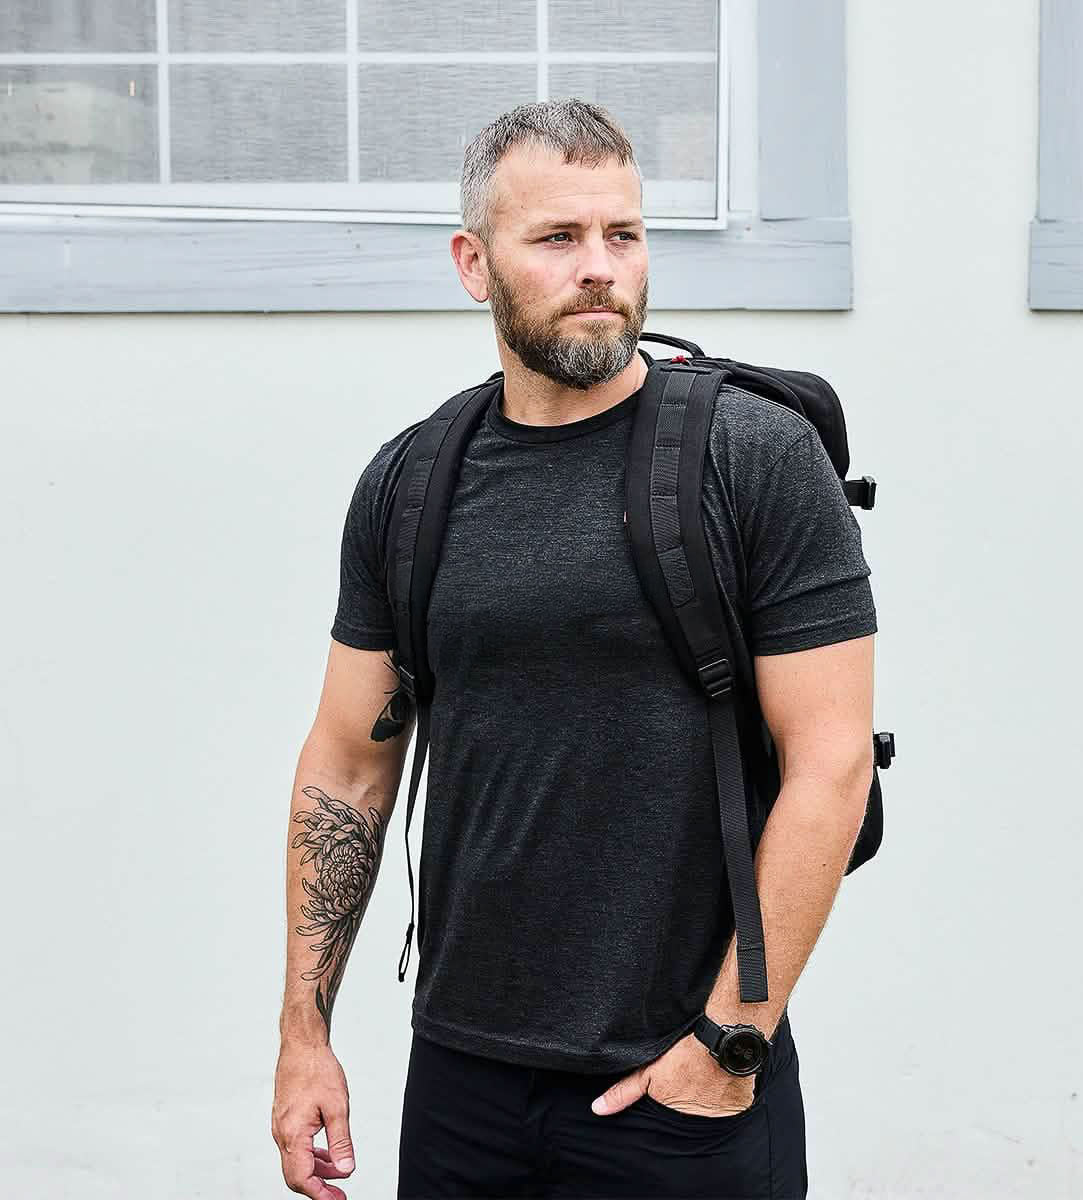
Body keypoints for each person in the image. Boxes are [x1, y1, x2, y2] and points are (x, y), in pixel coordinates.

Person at [271, 98, 877, 1200]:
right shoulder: (411, 482)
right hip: (462, 1078)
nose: (601, 268)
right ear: (473, 262)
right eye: (558, 238)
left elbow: (830, 762)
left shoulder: (754, 458)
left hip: (678, 1082)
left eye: (624, 235)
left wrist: (729, 1045)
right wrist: (304, 1039)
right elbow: (350, 768)